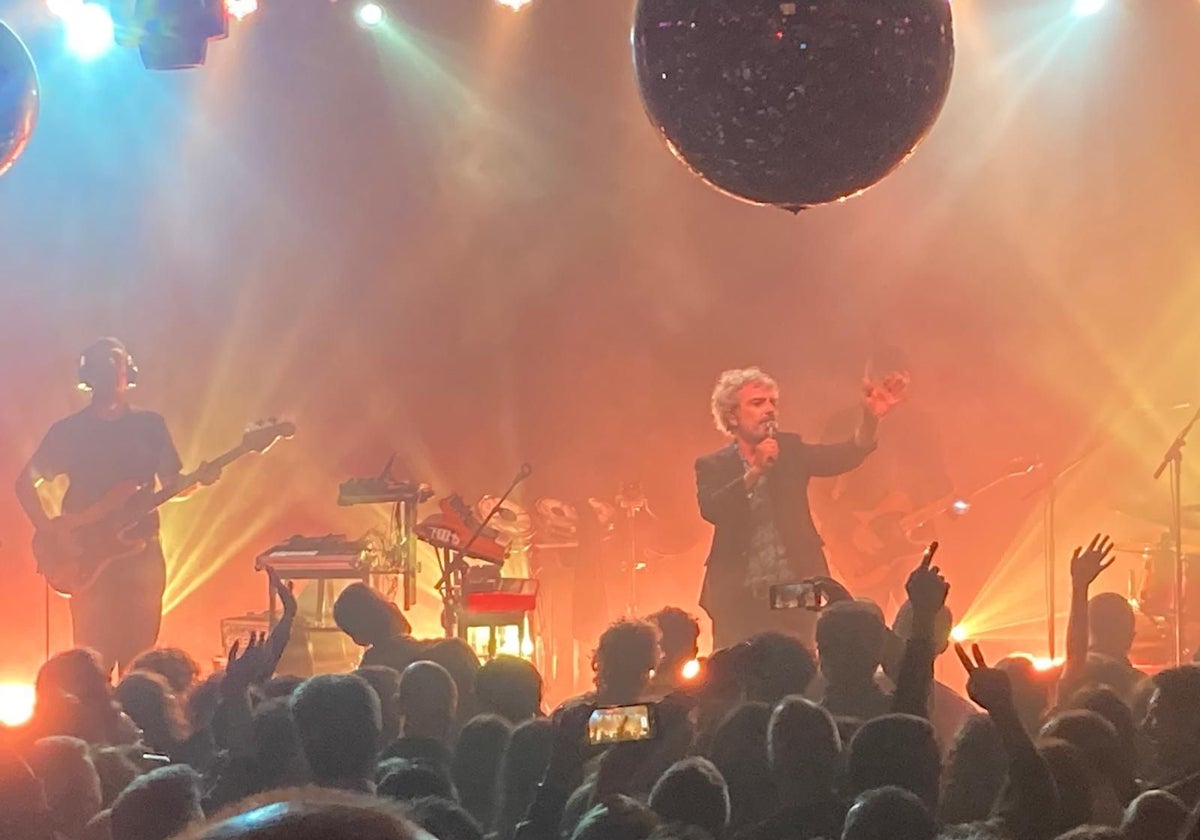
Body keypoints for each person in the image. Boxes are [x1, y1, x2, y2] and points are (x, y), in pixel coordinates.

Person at [14, 338, 220, 674]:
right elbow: (24, 484)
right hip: (86, 557)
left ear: (128, 372)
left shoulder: (150, 426)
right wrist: (53, 531)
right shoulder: (70, 431)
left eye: (116, 365)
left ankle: (133, 718)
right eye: (103, 366)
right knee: (93, 660)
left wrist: (197, 481)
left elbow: (172, 486)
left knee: (139, 660)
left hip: (141, 554)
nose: (111, 374)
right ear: (89, 376)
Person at [695, 366, 903, 647]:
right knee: (738, 679)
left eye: (773, 403)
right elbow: (712, 509)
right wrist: (754, 472)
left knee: (801, 665)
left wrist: (870, 419)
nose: (769, 409)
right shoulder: (713, 465)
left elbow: (846, 454)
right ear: (732, 415)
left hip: (795, 588)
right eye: (757, 403)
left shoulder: (790, 450)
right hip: (740, 596)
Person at [810, 346, 950, 613]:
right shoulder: (843, 422)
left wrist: (922, 499)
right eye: (880, 379)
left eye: (896, 380)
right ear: (867, 379)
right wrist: (847, 529)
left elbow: (940, 483)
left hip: (911, 542)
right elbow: (818, 489)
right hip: (861, 545)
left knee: (920, 624)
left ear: (906, 381)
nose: (887, 388)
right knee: (866, 626)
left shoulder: (920, 425)